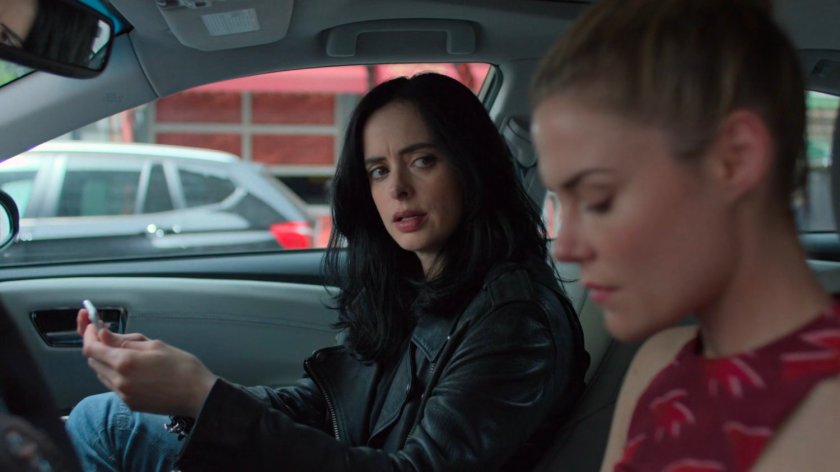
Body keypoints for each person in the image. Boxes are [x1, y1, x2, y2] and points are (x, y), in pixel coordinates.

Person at [66, 72, 589, 471]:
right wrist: (192, 392)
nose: (397, 189)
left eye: (423, 160)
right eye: (379, 172)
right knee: (107, 414)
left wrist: (202, 398)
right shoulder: (419, 290)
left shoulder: (513, 323)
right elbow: (326, 404)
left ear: (472, 167)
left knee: (105, 423)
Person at [530, 0, 840, 470]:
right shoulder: (657, 366)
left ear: (733, 159)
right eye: (558, 204)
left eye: (598, 199)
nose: (567, 246)